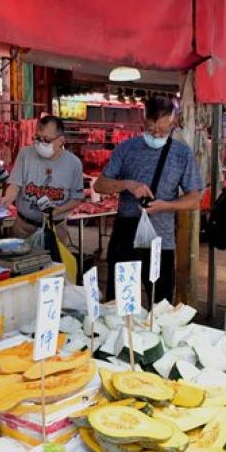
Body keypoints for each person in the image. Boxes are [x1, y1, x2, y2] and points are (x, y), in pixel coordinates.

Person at [95, 95, 202, 304]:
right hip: (126, 236)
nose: (156, 134)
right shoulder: (126, 149)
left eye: (163, 130)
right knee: (120, 303)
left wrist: (167, 206)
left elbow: (194, 198)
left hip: (161, 241)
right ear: (143, 122)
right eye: (151, 129)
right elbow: (100, 185)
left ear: (173, 123)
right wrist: (128, 184)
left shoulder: (182, 154)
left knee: (160, 305)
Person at [0, 115, 83, 239]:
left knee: (55, 258)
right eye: (37, 138)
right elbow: (15, 185)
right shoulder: (25, 154)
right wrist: (7, 198)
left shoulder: (74, 163)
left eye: (46, 140)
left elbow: (77, 198)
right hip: (24, 228)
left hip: (55, 230)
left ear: (61, 140)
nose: (41, 143)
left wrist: (57, 211)